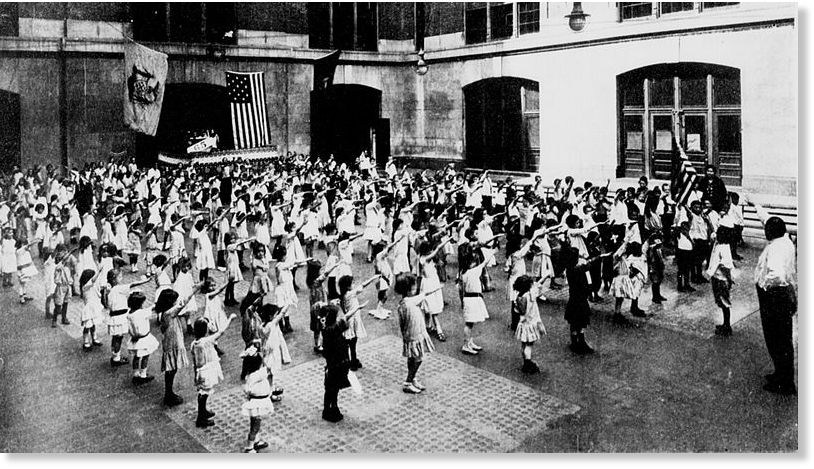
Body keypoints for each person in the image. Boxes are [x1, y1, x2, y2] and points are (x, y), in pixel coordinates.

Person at [746, 196, 797, 395]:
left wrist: (764, 285)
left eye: (766, 230)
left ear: (772, 233)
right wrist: (755, 205)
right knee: (781, 339)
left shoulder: (776, 248)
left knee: (777, 339)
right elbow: (766, 219)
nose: (764, 230)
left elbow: (776, 274)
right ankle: (781, 374)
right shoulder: (783, 238)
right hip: (783, 295)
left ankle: (784, 382)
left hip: (775, 296)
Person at [155, 286, 201, 406]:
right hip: (173, 343)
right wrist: (197, 288)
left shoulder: (164, 313)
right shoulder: (169, 313)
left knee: (172, 369)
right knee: (171, 369)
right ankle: (168, 394)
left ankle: (169, 393)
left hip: (171, 342)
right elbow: (183, 302)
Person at [394, 273, 439, 394]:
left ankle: (412, 378)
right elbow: (424, 295)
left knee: (412, 358)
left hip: (411, 335)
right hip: (415, 334)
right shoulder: (409, 302)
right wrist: (437, 288)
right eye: (413, 288)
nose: (415, 290)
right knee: (418, 359)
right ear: (408, 290)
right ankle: (408, 382)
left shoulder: (404, 303)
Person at [191, 314, 236, 428]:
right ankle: (201, 418)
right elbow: (221, 332)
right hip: (207, 370)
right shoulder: (206, 341)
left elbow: (194, 361)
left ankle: (203, 411)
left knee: (202, 392)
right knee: (204, 393)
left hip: (200, 370)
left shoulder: (194, 343)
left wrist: (195, 374)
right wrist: (229, 319)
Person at [239, 345, 273, 453]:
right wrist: (266, 356)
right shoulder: (259, 374)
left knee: (255, 424)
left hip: (255, 402)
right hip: (258, 403)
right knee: (255, 427)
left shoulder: (250, 375)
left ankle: (256, 441)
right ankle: (249, 447)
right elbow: (269, 367)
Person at [512, 275, 547, 373]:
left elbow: (518, 311)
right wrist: (546, 275)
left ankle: (525, 361)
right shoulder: (531, 294)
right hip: (531, 323)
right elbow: (538, 284)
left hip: (523, 323)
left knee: (524, 344)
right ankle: (528, 364)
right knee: (529, 345)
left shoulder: (519, 297)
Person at [706, 222, 735, 336]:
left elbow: (726, 267)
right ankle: (725, 324)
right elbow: (712, 235)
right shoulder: (718, 244)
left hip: (721, 279)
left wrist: (729, 280)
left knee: (724, 303)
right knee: (721, 302)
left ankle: (727, 327)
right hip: (716, 277)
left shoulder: (723, 248)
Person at [126, 291, 160, 384]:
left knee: (136, 357)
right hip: (144, 338)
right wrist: (154, 305)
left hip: (135, 338)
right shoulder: (142, 313)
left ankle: (135, 374)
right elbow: (151, 309)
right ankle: (143, 374)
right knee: (145, 356)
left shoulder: (129, 314)